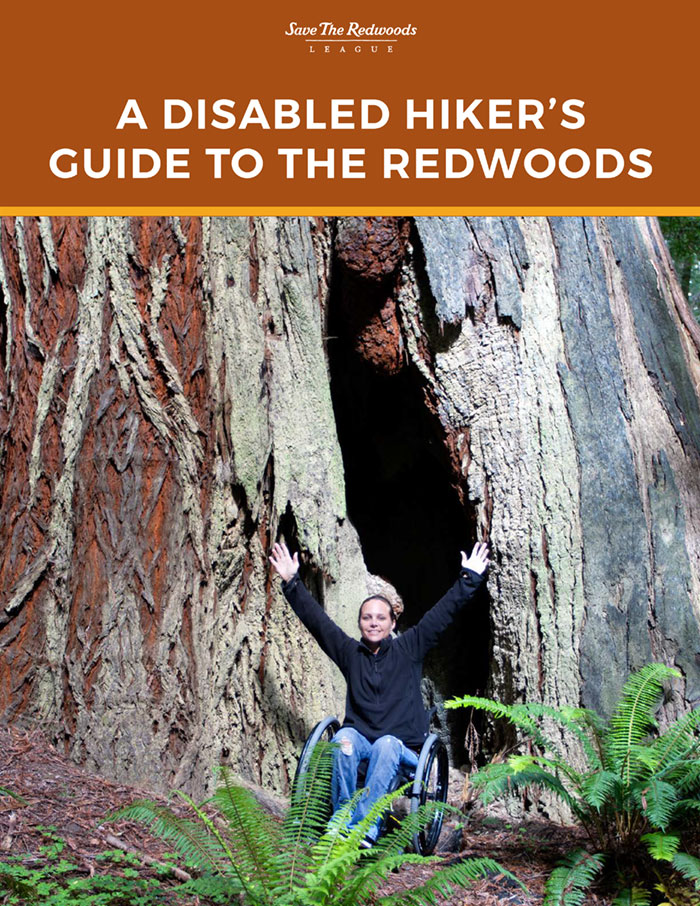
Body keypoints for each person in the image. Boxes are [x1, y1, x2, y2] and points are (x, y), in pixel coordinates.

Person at [270, 539, 489, 845]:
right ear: (360, 623)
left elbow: (442, 615)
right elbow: (318, 624)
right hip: (361, 747)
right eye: (367, 618)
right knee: (343, 738)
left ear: (392, 622)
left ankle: (366, 827)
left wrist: (469, 579)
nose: (373, 623)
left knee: (386, 744)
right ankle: (342, 818)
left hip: (403, 751)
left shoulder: (409, 647)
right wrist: (293, 582)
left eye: (380, 618)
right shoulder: (350, 654)